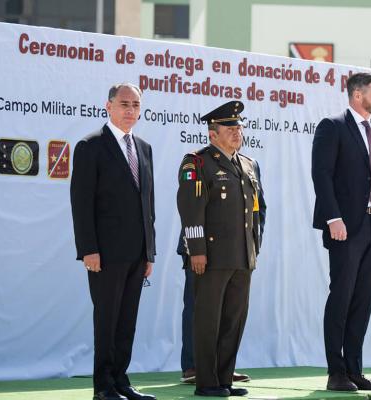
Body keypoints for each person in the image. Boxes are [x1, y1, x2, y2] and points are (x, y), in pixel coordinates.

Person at [311, 72, 371, 392]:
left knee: (363, 300)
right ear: (357, 95)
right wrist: (332, 218)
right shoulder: (333, 126)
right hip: (345, 227)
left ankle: (354, 369)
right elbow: (321, 175)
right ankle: (335, 372)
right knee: (342, 297)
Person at [70, 83, 157, 400]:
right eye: (124, 103)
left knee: (127, 322)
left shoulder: (144, 148)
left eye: (136, 104)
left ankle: (121, 381)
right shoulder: (90, 145)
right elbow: (81, 203)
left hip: (137, 253)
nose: (130, 109)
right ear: (108, 106)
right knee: (106, 320)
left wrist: (150, 252)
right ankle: (103, 387)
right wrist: (88, 249)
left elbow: (148, 203)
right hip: (104, 254)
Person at [176, 101, 260, 397]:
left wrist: (254, 248)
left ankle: (224, 379)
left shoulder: (248, 164)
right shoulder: (197, 162)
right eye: (230, 128)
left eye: (239, 126)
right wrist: (196, 250)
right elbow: (191, 210)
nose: (238, 131)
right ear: (213, 134)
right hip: (209, 257)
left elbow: (256, 211)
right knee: (208, 319)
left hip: (241, 256)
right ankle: (207, 381)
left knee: (233, 319)